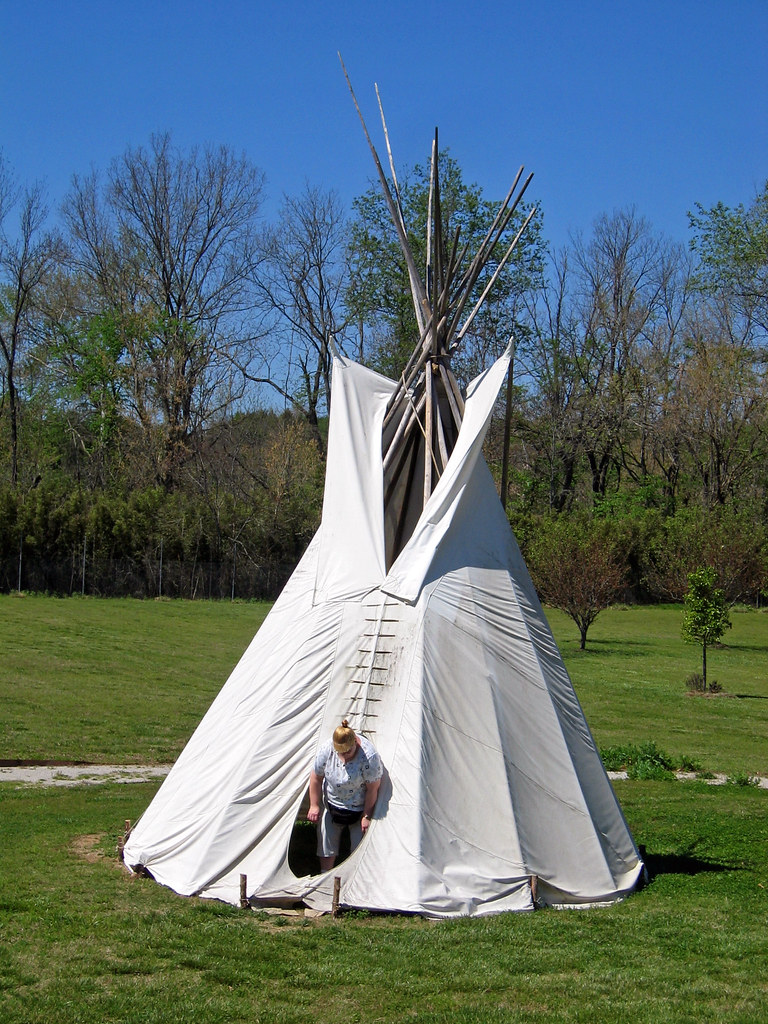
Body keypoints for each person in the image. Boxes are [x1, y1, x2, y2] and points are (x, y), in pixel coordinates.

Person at [308, 719, 383, 872]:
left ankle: (353, 881)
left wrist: (366, 816)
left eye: (348, 752)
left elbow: (373, 788)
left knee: (357, 849)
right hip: (332, 804)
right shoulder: (327, 749)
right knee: (326, 845)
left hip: (358, 808)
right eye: (340, 752)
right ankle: (325, 876)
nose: (344, 756)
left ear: (355, 742)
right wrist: (314, 805)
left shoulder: (369, 757)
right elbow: (316, 777)